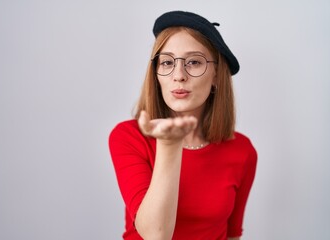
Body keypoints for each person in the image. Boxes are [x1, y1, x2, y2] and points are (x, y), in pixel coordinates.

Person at [108, 10, 257, 240]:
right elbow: (155, 235)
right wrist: (169, 144)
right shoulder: (128, 137)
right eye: (167, 62)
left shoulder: (243, 150)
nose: (179, 75)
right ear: (156, 74)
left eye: (194, 62)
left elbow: (232, 235)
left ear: (217, 76)